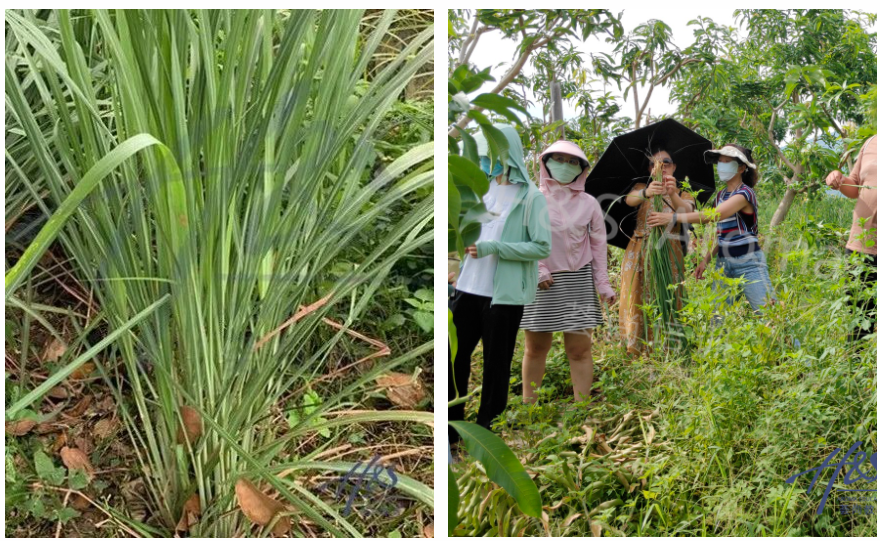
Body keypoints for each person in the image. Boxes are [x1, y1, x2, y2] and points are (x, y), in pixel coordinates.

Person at [448, 124, 551, 444]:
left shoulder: (531, 197)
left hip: (502, 295)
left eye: (488, 156)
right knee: (455, 359)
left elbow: (542, 247)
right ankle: (451, 430)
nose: (483, 163)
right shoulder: (480, 190)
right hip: (466, 288)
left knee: (496, 364)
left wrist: (495, 249)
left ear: (506, 156)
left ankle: (484, 433)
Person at [519, 141, 615, 403]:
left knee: (580, 350)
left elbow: (598, 245)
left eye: (573, 161)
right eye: (558, 159)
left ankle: (582, 407)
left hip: (578, 281)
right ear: (545, 162)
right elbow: (522, 237)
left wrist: (603, 284)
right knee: (536, 348)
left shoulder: (589, 203)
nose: (565, 165)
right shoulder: (531, 199)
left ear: (582, 169)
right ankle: (530, 409)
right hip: (542, 282)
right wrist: (538, 268)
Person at [647, 144, 776, 315]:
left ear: (741, 168)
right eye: (720, 162)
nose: (722, 165)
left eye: (727, 161)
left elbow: (715, 215)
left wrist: (671, 217)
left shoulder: (745, 193)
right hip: (724, 263)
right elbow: (722, 235)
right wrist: (706, 260)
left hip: (748, 261)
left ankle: (789, 343)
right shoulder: (721, 196)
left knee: (769, 314)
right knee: (718, 321)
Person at [619, 148, 695, 355]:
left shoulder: (682, 191)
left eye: (666, 162)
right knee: (637, 297)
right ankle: (636, 350)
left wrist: (672, 194)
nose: (660, 167)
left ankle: (669, 349)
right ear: (650, 168)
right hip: (639, 250)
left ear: (675, 166)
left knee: (668, 294)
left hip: (669, 251)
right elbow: (629, 199)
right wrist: (646, 192)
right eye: (654, 163)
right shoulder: (643, 186)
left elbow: (688, 211)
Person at [825, 135, 877, 340]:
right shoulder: (871, 142)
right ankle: (856, 370)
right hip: (861, 245)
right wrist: (838, 178)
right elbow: (854, 186)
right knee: (858, 319)